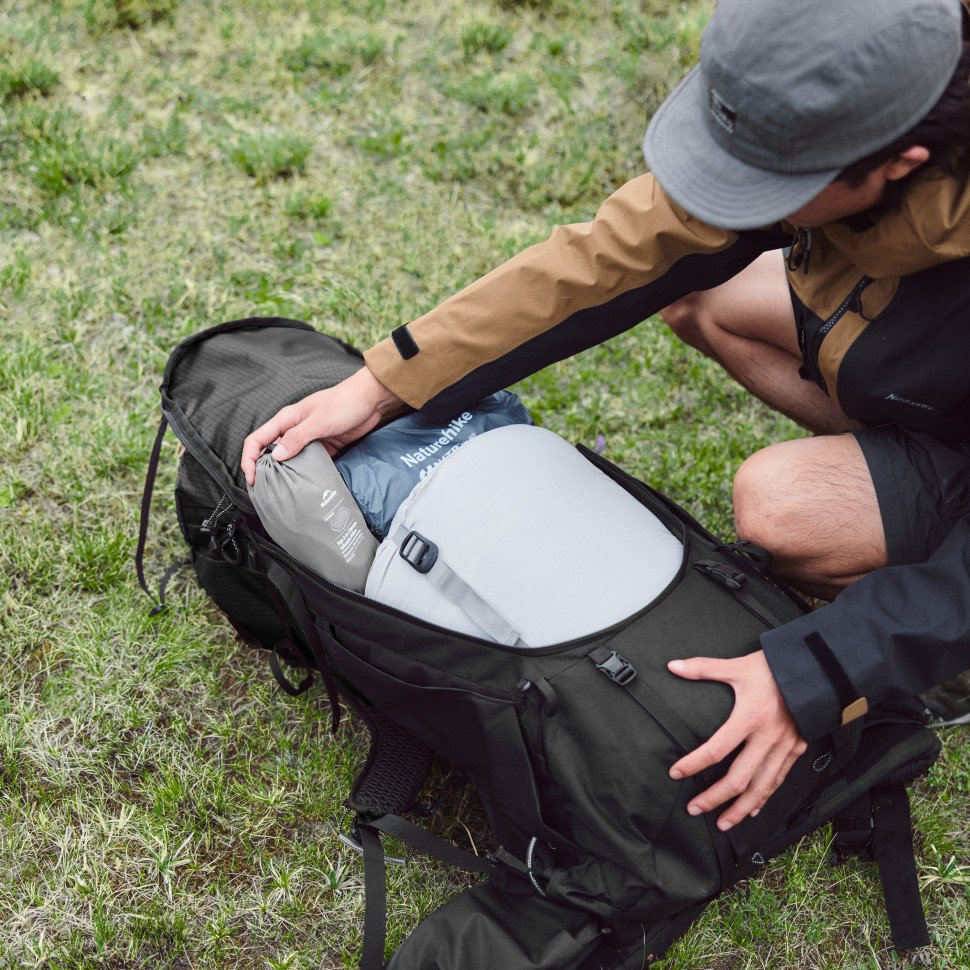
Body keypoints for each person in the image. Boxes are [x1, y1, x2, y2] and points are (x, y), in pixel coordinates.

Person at [242, 0, 970, 833]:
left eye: (775, 184)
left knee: (784, 505)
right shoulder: (866, 55)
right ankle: (903, 473)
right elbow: (624, 249)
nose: (741, 198)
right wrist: (391, 379)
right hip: (906, 341)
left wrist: (826, 667)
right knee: (706, 298)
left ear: (900, 162)